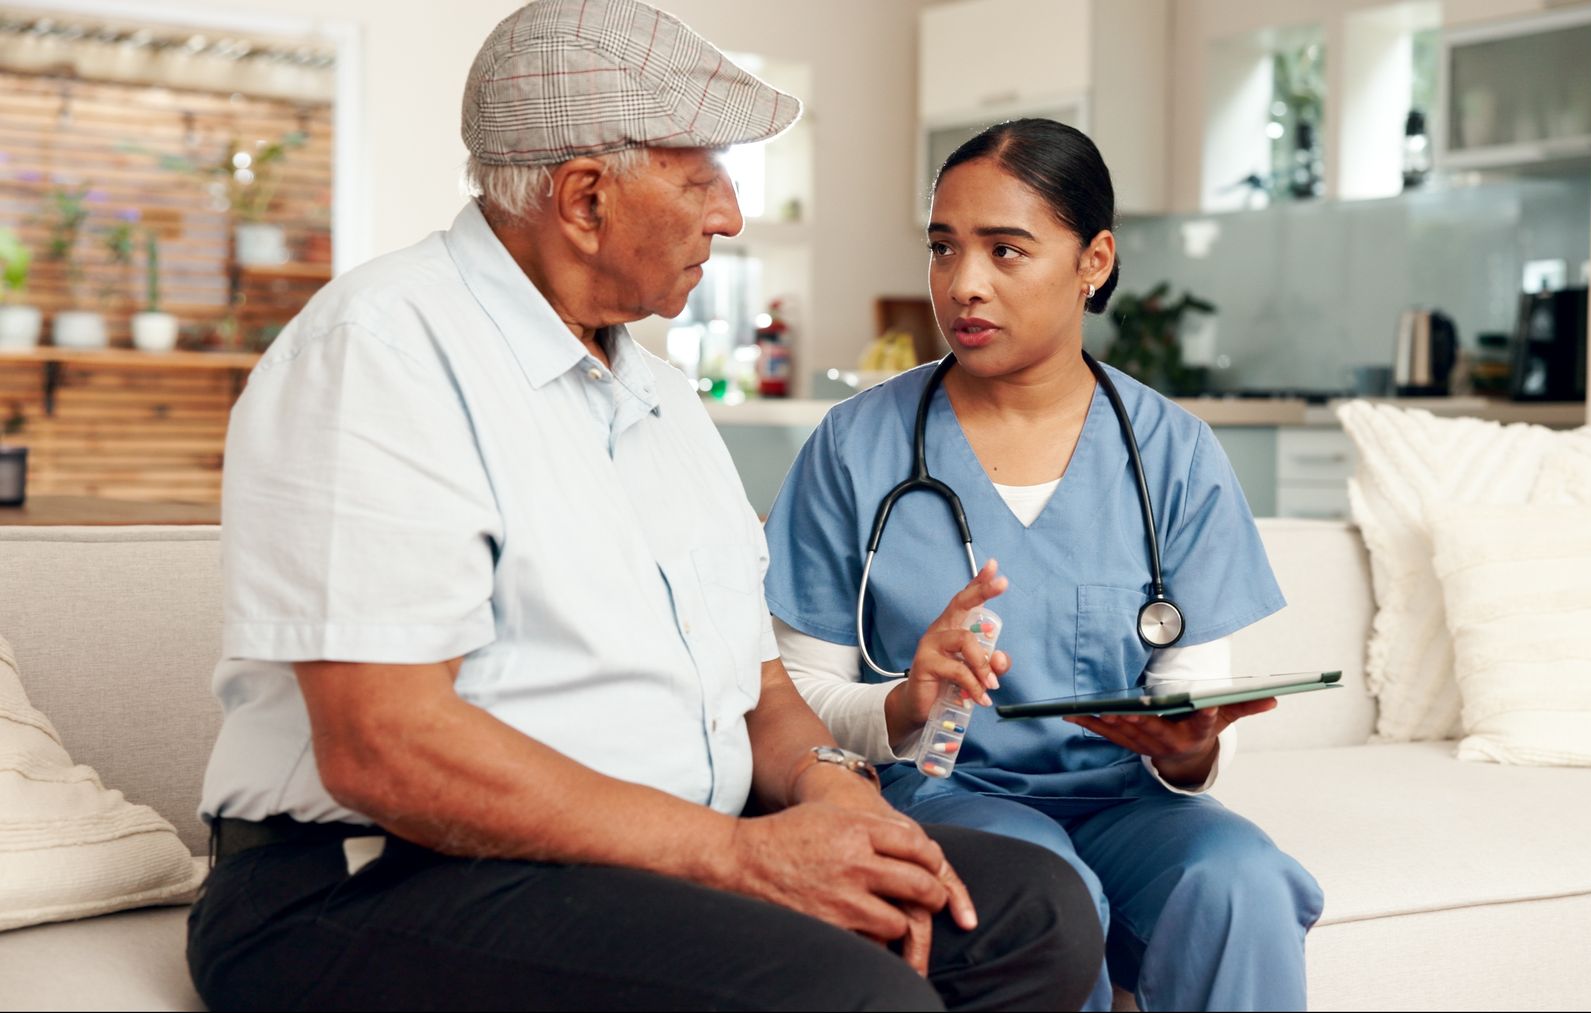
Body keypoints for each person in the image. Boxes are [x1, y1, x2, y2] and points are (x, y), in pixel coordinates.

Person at [186, 6, 1102, 1010]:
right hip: (374, 882)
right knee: (845, 992)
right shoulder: (383, 353)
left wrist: (835, 789)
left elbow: (760, 693)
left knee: (1032, 909)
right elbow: (385, 744)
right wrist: (739, 856)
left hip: (638, 866)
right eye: (702, 173)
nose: (730, 213)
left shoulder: (658, 394)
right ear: (586, 199)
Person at [763, 118, 1325, 1012]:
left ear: (1093, 260)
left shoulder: (1173, 453)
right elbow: (794, 699)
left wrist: (1190, 751)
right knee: (1047, 888)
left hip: (1123, 802)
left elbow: (1187, 705)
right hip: (942, 793)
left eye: (1005, 250)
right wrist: (905, 701)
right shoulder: (855, 446)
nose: (963, 284)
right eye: (944, 248)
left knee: (1241, 880)